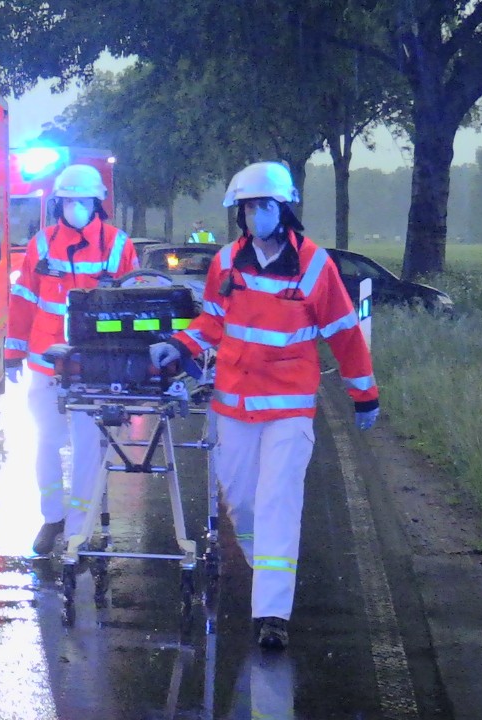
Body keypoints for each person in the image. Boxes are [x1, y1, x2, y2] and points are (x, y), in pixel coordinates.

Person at [148, 161, 379, 650]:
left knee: (278, 502)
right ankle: (266, 566)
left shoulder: (316, 266)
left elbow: (344, 335)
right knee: (242, 502)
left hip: (289, 409)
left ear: (284, 209)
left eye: (265, 206)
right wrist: (182, 345)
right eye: (249, 207)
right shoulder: (226, 263)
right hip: (233, 405)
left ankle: (271, 613)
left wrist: (364, 394)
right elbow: (212, 321)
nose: (257, 216)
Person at [3, 163, 140, 557]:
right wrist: (13, 353)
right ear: (57, 204)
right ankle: (52, 517)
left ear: (97, 204)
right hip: (47, 361)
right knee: (45, 441)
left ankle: (78, 531)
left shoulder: (117, 245)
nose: (74, 207)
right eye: (68, 201)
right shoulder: (41, 245)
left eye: (82, 201)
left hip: (96, 365)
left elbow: (133, 309)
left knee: (88, 447)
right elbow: (24, 300)